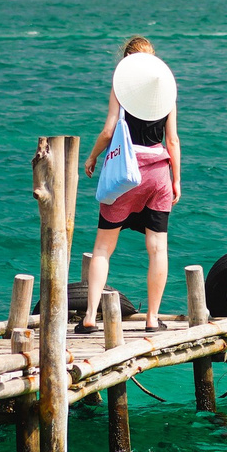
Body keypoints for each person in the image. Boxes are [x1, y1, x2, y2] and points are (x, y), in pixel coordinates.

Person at [83, 36, 180, 329]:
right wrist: (177, 179)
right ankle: (152, 319)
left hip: (126, 172)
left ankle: (89, 317)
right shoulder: (166, 92)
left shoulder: (120, 89)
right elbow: (172, 140)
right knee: (158, 248)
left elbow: (108, 130)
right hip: (159, 172)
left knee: (102, 248)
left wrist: (91, 157)